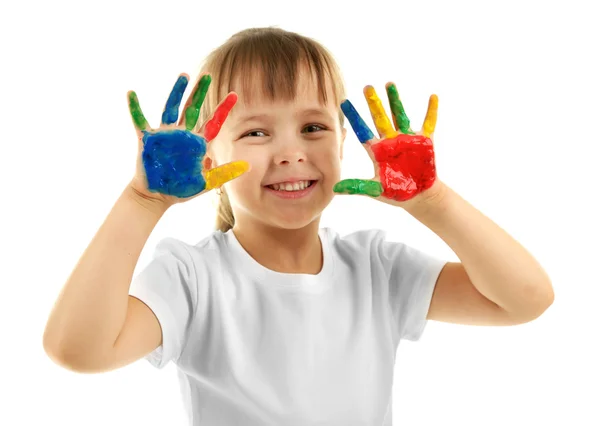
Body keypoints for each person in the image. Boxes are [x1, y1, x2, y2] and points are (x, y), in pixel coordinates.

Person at [42, 27, 554, 425]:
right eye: (256, 131)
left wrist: (433, 201)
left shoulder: (376, 267)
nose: (291, 153)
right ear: (205, 153)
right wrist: (141, 201)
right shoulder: (191, 276)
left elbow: (525, 298)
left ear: (343, 144)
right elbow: (78, 349)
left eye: (313, 128)